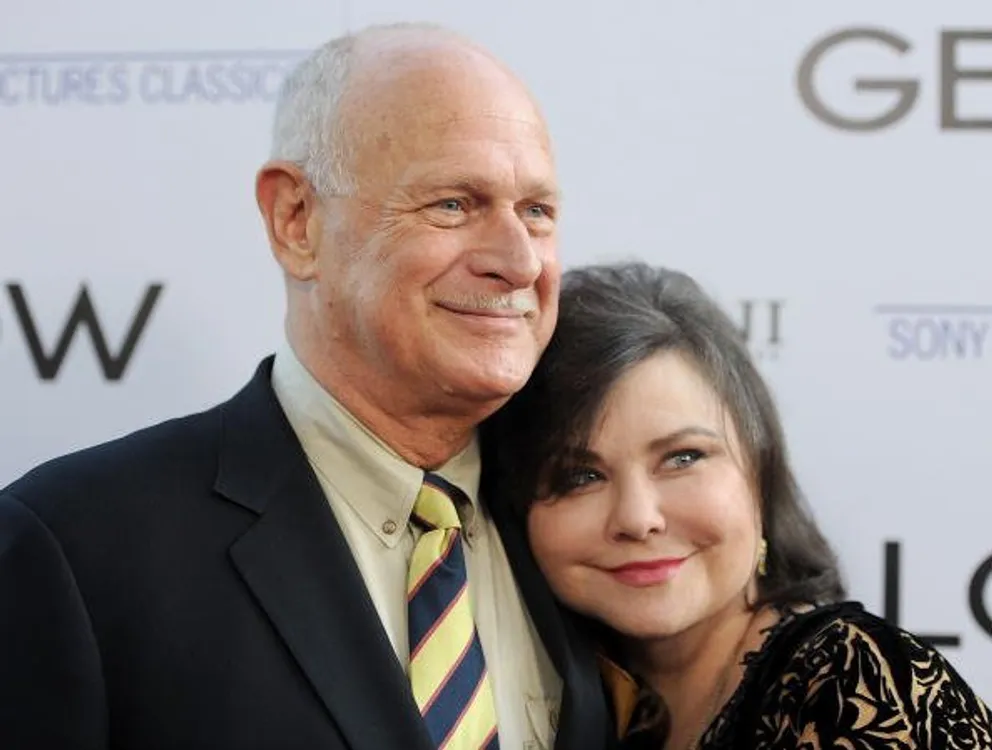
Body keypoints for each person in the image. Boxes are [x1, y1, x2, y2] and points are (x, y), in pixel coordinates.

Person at [0, 23, 614, 750]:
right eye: (454, 204)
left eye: (537, 212)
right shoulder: (77, 546)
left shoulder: (592, 532)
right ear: (296, 219)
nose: (517, 261)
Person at [481, 262, 992, 749]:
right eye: (582, 476)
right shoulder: (575, 709)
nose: (637, 518)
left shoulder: (852, 685)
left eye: (682, 458)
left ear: (759, 472)